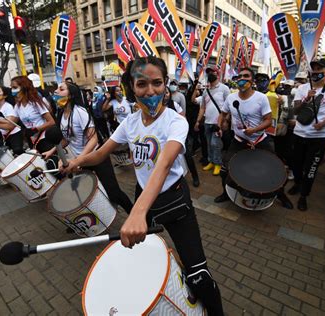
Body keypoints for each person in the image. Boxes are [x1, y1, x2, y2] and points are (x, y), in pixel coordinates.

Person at [60, 57, 224, 315]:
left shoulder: (175, 122)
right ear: (132, 88)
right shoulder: (130, 123)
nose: (150, 91)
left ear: (166, 84)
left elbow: (165, 164)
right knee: (143, 261)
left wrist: (137, 212)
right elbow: (102, 154)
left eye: (157, 83)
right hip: (144, 199)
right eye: (142, 84)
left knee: (198, 276)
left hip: (174, 200)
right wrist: (76, 161)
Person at [215, 68, 293, 209]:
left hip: (260, 140)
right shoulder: (231, 98)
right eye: (239, 76)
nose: (242, 79)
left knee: (276, 170)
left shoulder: (261, 98)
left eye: (246, 76)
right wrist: (221, 126)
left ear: (252, 80)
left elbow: (268, 121)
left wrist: (254, 130)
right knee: (224, 170)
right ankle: (225, 193)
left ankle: (281, 195)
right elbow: (223, 114)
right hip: (239, 141)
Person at [50, 82, 133, 214]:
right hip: (79, 159)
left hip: (95, 157)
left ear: (71, 94)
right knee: (80, 192)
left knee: (113, 192)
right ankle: (89, 222)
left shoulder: (80, 112)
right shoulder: (61, 114)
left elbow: (93, 140)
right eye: (57, 89)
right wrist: (51, 151)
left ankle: (136, 216)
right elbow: (67, 138)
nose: (56, 91)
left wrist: (80, 159)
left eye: (61, 89)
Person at [289, 59, 325, 211]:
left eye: (320, 69)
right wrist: (307, 98)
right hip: (299, 133)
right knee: (296, 164)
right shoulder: (303, 87)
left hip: (319, 136)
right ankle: (298, 184)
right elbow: (296, 111)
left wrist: (323, 124)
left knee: (311, 168)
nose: (316, 71)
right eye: (314, 69)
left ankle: (304, 195)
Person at [195, 66, 230, 176]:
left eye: (212, 72)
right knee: (209, 143)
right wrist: (198, 121)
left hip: (217, 122)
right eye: (208, 72)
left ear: (217, 74)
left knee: (216, 143)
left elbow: (228, 106)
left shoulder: (224, 88)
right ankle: (211, 161)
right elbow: (202, 108)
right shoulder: (206, 91)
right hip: (207, 122)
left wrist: (225, 121)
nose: (210, 74)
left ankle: (218, 164)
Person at [11, 76, 55, 154]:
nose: (12, 91)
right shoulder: (17, 106)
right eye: (11, 88)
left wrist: (35, 129)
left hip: (45, 139)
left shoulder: (35, 103)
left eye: (15, 87)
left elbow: (51, 122)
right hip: (32, 141)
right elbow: (10, 123)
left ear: (24, 87)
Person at [0, 86, 24, 155]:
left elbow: (10, 123)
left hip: (14, 134)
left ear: (5, 95)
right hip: (4, 135)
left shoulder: (8, 106)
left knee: (17, 153)